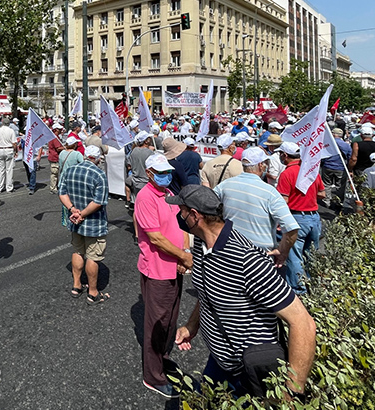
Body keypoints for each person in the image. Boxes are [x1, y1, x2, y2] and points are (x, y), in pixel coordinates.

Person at [170, 185, 316, 401]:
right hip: (219, 360)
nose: (178, 215)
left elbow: (303, 323)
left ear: (194, 215)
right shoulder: (201, 244)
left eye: (181, 210)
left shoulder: (247, 260)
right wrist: (192, 325)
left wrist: (292, 391)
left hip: (249, 371)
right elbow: (208, 291)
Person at [135, 153, 192, 398]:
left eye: (167, 171)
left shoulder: (169, 194)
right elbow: (156, 238)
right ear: (149, 173)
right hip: (158, 269)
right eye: (160, 172)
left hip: (174, 265)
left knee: (169, 319)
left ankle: (162, 358)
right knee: (157, 323)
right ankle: (153, 376)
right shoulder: (145, 197)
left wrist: (185, 252)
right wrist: (183, 255)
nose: (166, 175)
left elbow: (182, 224)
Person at [214, 146, 300, 266]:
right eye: (266, 163)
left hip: (230, 251)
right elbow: (291, 229)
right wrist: (282, 252)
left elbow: (208, 205)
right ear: (261, 165)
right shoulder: (270, 192)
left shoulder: (225, 185)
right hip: (259, 256)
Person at [59, 145, 110, 304]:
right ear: (96, 158)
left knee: (77, 251)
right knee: (93, 257)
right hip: (93, 222)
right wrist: (82, 213)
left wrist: (73, 210)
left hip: (75, 220)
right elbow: (99, 202)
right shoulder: (99, 174)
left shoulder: (70, 170)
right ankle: (93, 292)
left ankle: (76, 285)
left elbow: (62, 193)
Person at [276, 142, 325, 294]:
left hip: (296, 217)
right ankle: (313, 283)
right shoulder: (311, 171)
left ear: (285, 155)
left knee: (294, 256)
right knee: (312, 253)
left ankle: (298, 288)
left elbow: (283, 200)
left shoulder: (287, 173)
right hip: (314, 217)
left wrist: (279, 221)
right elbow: (322, 194)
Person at [320, 128, 352, 210]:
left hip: (328, 166)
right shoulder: (346, 145)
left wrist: (322, 163)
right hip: (341, 167)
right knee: (340, 186)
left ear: (333, 134)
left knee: (326, 184)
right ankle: (338, 202)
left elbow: (323, 154)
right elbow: (350, 157)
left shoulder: (328, 143)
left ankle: (327, 201)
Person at [0, 117, 18, 193]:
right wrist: (15, 151)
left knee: (0, 170)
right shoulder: (11, 131)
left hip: (0, 149)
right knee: (9, 169)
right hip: (9, 149)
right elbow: (14, 143)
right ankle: (9, 187)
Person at [47, 123, 65, 194]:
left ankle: (55, 186)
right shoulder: (55, 138)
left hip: (53, 156)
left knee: (55, 173)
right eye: (60, 129)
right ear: (56, 129)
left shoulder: (54, 137)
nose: (61, 130)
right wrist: (65, 147)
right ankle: (53, 188)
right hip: (54, 157)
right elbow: (58, 148)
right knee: (54, 173)